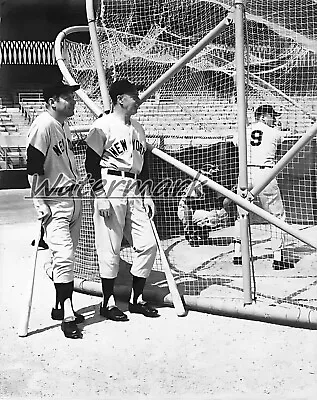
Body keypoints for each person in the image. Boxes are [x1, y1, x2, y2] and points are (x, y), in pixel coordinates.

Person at [85, 79, 159, 321]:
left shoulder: (138, 127)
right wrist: (100, 195)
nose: (138, 99)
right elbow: (90, 164)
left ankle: (136, 300)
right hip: (110, 183)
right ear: (120, 99)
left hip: (134, 186)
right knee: (110, 247)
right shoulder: (102, 125)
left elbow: (144, 165)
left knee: (148, 243)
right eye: (134, 95)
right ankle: (106, 303)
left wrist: (147, 193)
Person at [26, 81, 84, 339]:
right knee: (64, 257)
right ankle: (69, 315)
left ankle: (59, 306)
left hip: (73, 199)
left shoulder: (64, 125)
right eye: (68, 97)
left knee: (65, 259)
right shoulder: (43, 125)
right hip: (55, 203)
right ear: (52, 102)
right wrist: (40, 203)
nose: (74, 100)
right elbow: (33, 167)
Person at [233, 104, 294, 270]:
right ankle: (278, 258)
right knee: (276, 217)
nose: (274, 119)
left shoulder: (244, 130)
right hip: (264, 174)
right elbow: (286, 136)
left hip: (245, 174)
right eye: (272, 116)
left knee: (242, 215)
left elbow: (235, 141)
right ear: (262, 116)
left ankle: (238, 254)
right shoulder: (274, 132)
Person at [177, 164, 230, 246]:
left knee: (220, 214)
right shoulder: (196, 185)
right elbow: (187, 206)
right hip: (186, 211)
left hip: (198, 210)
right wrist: (189, 227)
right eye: (211, 175)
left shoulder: (212, 185)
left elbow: (221, 200)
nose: (214, 177)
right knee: (212, 217)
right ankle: (192, 232)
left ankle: (201, 230)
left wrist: (225, 206)